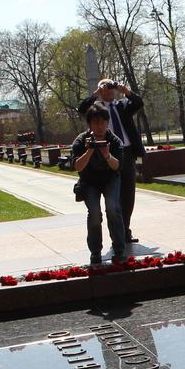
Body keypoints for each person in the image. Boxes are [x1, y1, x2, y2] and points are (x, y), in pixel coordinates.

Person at [79, 79, 144, 245]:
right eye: (105, 88)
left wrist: (126, 91)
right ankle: (116, 233)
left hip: (126, 151)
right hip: (104, 151)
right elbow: (81, 109)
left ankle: (125, 231)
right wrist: (96, 93)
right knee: (112, 195)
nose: (109, 91)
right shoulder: (97, 109)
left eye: (111, 87)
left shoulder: (122, 105)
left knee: (128, 193)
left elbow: (139, 103)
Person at [69, 104, 126, 265]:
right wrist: (89, 151)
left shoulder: (114, 140)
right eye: (95, 123)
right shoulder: (81, 141)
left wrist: (107, 155)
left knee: (112, 207)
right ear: (89, 125)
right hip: (89, 182)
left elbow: (117, 166)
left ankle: (120, 249)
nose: (99, 126)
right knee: (94, 213)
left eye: (102, 122)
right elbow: (77, 167)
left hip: (110, 179)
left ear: (107, 123)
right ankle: (95, 252)